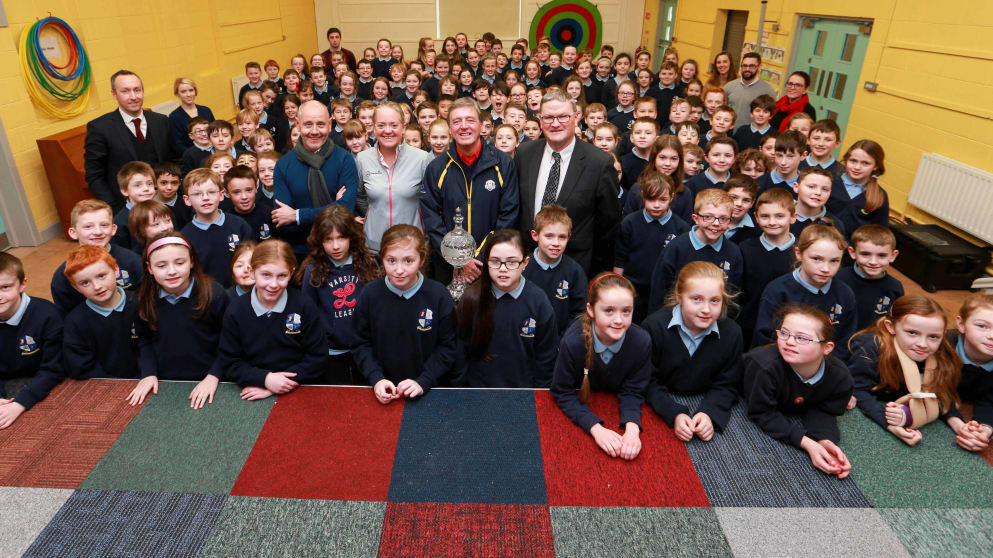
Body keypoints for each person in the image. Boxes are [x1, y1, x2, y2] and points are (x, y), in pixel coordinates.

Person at [849, 295, 988, 452]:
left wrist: (960, 425)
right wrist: (890, 424)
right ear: (891, 326)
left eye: (933, 337)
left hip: (900, 407)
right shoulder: (870, 347)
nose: (922, 344)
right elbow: (857, 389)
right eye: (912, 333)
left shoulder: (940, 352)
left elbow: (938, 393)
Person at [516, 89, 621, 274]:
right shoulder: (524, 154)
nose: (555, 124)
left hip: (576, 266)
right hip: (527, 263)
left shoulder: (598, 162)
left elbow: (608, 222)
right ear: (540, 120)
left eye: (563, 117)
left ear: (577, 117)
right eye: (548, 117)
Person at [743, 305, 853, 479]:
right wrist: (807, 443)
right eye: (784, 333)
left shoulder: (840, 377)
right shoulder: (764, 367)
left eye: (802, 338)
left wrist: (825, 440)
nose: (790, 342)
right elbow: (762, 412)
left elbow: (823, 409)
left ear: (827, 348)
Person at [352, 225, 458, 403]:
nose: (399, 270)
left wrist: (424, 381)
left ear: (422, 259)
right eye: (391, 260)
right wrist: (376, 378)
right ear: (382, 259)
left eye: (408, 261)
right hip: (382, 391)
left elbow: (448, 347)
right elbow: (360, 344)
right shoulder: (370, 294)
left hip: (427, 392)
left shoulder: (438, 295)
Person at [550, 272, 650, 460]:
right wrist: (596, 428)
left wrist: (632, 427)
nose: (619, 320)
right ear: (591, 310)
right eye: (609, 311)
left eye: (626, 311)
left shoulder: (641, 341)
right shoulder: (573, 343)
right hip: (586, 407)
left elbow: (634, 390)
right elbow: (562, 391)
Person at [421, 97, 520, 283]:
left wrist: (482, 257)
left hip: (491, 264)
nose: (464, 126)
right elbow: (432, 219)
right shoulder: (436, 168)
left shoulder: (503, 164)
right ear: (450, 129)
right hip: (448, 267)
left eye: (470, 120)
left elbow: (508, 214)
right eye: (457, 121)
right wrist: (459, 259)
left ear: (481, 125)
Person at [643, 261, 744, 441]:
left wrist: (709, 413)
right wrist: (673, 413)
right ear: (679, 296)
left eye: (714, 301)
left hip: (705, 398)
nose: (705, 310)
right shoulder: (654, 327)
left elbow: (728, 383)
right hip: (661, 401)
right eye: (696, 299)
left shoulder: (732, 333)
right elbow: (646, 380)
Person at [128, 232, 229, 409]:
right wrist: (148, 373)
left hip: (213, 380)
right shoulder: (141, 300)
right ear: (149, 268)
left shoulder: (214, 293)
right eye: (161, 265)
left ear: (191, 261)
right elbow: (145, 340)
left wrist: (214, 375)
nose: (172, 271)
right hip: (165, 382)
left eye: (179, 263)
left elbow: (231, 341)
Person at [217, 239, 326, 401]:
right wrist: (266, 379)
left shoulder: (304, 306)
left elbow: (318, 358)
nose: (273, 284)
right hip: (250, 389)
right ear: (253, 272)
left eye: (282, 276)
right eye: (266, 275)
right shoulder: (236, 310)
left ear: (291, 272)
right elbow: (230, 362)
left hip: (299, 388)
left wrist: (280, 385)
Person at [456, 229, 557, 387]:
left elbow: (546, 358)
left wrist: (538, 395)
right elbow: (460, 352)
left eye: (511, 262)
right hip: (478, 392)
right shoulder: (471, 298)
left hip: (524, 392)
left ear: (525, 264)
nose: (503, 268)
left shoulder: (539, 302)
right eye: (495, 261)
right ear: (486, 262)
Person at [753, 224, 858, 360]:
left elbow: (845, 342)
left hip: (824, 369)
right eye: (817, 259)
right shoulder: (777, 291)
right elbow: (765, 340)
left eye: (834, 261)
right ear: (799, 254)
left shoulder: (845, 294)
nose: (825, 268)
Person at [272, 101, 359, 258]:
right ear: (297, 125)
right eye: (307, 124)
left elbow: (346, 211)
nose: (314, 131)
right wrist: (334, 207)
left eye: (320, 124)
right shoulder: (283, 165)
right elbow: (283, 222)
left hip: (342, 250)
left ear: (330, 125)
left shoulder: (344, 159)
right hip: (302, 253)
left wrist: (297, 216)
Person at [84, 70, 177, 212]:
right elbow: (94, 174)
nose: (133, 97)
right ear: (114, 94)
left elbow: (174, 159)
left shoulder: (161, 121)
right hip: (126, 207)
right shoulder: (100, 128)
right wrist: (114, 206)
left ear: (143, 92)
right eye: (125, 91)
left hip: (164, 201)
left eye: (137, 90)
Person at [355, 103, 432, 253]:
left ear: (403, 128)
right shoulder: (362, 159)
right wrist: (375, 215)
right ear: (373, 128)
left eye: (394, 125)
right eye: (381, 125)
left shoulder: (422, 159)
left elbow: (431, 201)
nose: (388, 131)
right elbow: (359, 196)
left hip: (411, 246)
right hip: (374, 247)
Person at [648, 188, 743, 310]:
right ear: (695, 218)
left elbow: (732, 296)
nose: (715, 223)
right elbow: (659, 290)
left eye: (723, 218)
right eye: (708, 217)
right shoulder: (676, 247)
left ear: (730, 221)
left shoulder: (733, 252)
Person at [614, 171, 689, 322]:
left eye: (662, 200)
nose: (656, 205)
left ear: (672, 197)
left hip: (665, 292)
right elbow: (619, 259)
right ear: (642, 195)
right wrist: (618, 288)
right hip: (632, 288)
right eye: (651, 199)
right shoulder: (629, 223)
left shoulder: (681, 228)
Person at [0, 253, 63, 429]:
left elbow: (54, 368)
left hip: (41, 380)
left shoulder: (48, 315)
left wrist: (20, 403)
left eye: (5, 287)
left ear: (22, 284)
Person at [50, 199, 143, 317]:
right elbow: (67, 316)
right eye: (88, 226)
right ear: (74, 232)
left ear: (113, 229)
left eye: (104, 225)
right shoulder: (63, 276)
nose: (98, 232)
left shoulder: (133, 261)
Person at [61, 246, 139, 380]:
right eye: (85, 283)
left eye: (101, 276)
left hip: (152, 378)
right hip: (105, 385)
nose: (97, 287)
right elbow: (81, 365)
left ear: (116, 270)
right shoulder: (75, 322)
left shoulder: (142, 304)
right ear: (76, 287)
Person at [737, 188, 797, 346]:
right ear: (756, 217)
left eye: (779, 216)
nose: (772, 222)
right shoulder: (745, 249)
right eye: (765, 216)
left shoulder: (801, 252)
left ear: (793, 217)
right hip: (748, 327)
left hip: (791, 332)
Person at [179, 169, 253, 288]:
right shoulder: (185, 237)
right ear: (187, 200)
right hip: (207, 296)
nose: (205, 198)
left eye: (211, 192)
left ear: (221, 195)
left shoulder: (239, 225)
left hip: (241, 292)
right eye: (197, 194)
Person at [522, 204, 587, 338]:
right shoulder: (522, 268)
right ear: (535, 235)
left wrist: (564, 340)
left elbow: (579, 314)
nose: (556, 243)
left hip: (560, 343)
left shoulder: (575, 272)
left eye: (562, 237)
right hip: (525, 341)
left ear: (568, 237)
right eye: (549, 236)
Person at [836, 225, 904, 330]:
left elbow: (896, 320)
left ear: (893, 256)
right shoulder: (839, 278)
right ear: (852, 253)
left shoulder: (895, 287)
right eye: (865, 254)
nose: (873, 262)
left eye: (881, 255)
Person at [828, 139, 890, 236]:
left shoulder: (879, 195)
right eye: (853, 161)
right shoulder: (830, 183)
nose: (857, 167)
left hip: (853, 248)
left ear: (876, 166)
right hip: (821, 242)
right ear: (846, 160)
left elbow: (880, 233)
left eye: (865, 163)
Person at [951, 293, 993, 437]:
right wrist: (958, 424)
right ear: (961, 325)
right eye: (982, 326)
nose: (992, 335)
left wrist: (985, 429)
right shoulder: (941, 347)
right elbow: (931, 391)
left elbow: (990, 401)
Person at [111, 161, 157, 252]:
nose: (146, 188)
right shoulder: (120, 222)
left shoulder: (162, 211)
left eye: (149, 183)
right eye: (137, 185)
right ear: (125, 191)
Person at [723, 53, 776, 130]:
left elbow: (770, 117)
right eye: (744, 66)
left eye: (751, 66)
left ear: (759, 67)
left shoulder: (768, 91)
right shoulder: (729, 86)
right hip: (728, 133)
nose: (747, 69)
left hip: (751, 136)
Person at [789, 168, 845, 239]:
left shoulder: (835, 225)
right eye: (811, 187)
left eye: (825, 189)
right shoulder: (780, 217)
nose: (818, 193)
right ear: (796, 187)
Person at [224, 166, 274, 242]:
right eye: (236, 192)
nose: (244, 197)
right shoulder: (225, 222)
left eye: (249, 190)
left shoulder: (270, 215)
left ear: (256, 187)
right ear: (227, 193)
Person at [168, 77, 215, 154]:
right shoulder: (174, 117)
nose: (188, 94)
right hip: (192, 156)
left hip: (213, 151)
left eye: (191, 90)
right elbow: (178, 144)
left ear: (195, 91)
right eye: (183, 91)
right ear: (177, 94)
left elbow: (214, 132)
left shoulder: (206, 110)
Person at [756, 130, 807, 197]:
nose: (783, 162)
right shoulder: (760, 184)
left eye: (790, 156)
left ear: (803, 155)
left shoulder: (807, 186)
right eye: (779, 155)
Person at [723, 175, 760, 244]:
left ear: (752, 203)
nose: (739, 204)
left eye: (746, 200)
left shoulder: (758, 231)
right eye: (734, 197)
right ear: (724, 196)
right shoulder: (711, 222)